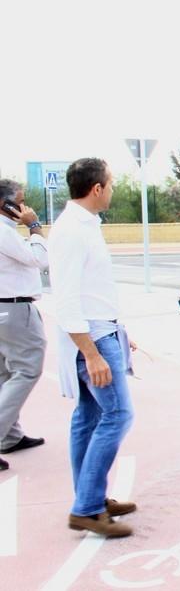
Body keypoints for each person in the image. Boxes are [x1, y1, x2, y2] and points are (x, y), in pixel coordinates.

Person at [49, 158, 136, 538]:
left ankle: (91, 497)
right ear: (97, 189)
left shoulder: (84, 226)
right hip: (92, 338)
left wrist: (119, 331)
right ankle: (86, 506)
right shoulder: (72, 231)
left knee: (87, 418)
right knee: (118, 416)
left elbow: (92, 291)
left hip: (102, 330)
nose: (113, 189)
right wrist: (92, 353)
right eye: (111, 183)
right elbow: (66, 300)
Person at [0, 179, 48, 473]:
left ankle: (11, 436)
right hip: (14, 307)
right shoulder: (5, 233)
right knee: (28, 368)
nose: (25, 207)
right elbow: (39, 260)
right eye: (19, 201)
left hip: (3, 309)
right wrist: (35, 227)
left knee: (6, 372)